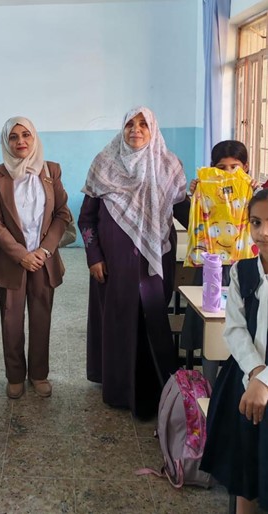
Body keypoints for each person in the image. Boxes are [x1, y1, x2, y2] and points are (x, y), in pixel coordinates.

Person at [78, 106, 187, 418]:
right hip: (113, 267)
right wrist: (94, 257)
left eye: (143, 124)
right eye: (130, 124)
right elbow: (86, 219)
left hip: (154, 263)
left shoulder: (168, 166)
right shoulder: (104, 164)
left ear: (153, 130)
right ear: (122, 129)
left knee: (151, 322)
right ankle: (118, 389)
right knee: (118, 323)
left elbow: (187, 213)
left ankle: (156, 393)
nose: (136, 129)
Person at [0, 117, 70, 399]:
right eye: (13, 137)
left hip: (44, 260)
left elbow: (62, 214)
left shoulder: (51, 170)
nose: (20, 141)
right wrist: (21, 255)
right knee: (11, 320)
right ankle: (14, 375)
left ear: (34, 138)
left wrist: (44, 250)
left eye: (26, 135)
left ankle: (38, 373)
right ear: (6, 142)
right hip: (12, 261)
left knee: (41, 316)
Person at [200, 188, 268, 514]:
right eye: (256, 222)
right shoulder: (243, 271)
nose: (264, 232)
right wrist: (256, 372)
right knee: (245, 465)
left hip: (259, 383)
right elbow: (235, 328)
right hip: (244, 380)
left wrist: (264, 381)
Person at [181, 140, 259, 385]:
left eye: (235, 167)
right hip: (211, 268)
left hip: (243, 268)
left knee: (245, 325)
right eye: (221, 167)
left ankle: (241, 380)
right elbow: (192, 221)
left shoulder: (254, 193)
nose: (228, 172)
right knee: (210, 328)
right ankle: (209, 383)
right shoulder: (205, 188)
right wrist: (195, 195)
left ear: (246, 167)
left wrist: (256, 192)